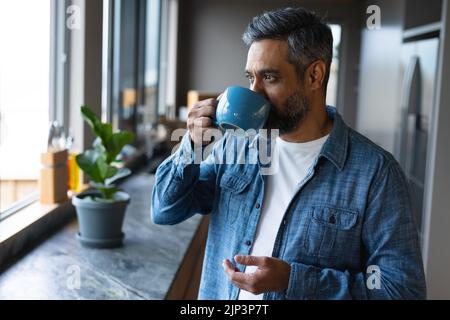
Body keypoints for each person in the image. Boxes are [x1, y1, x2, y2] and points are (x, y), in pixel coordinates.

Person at [151, 7, 426, 299]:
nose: (254, 92)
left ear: (314, 76)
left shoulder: (376, 173)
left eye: (269, 78)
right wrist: (190, 146)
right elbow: (165, 210)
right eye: (250, 78)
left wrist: (294, 280)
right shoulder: (235, 147)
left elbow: (403, 291)